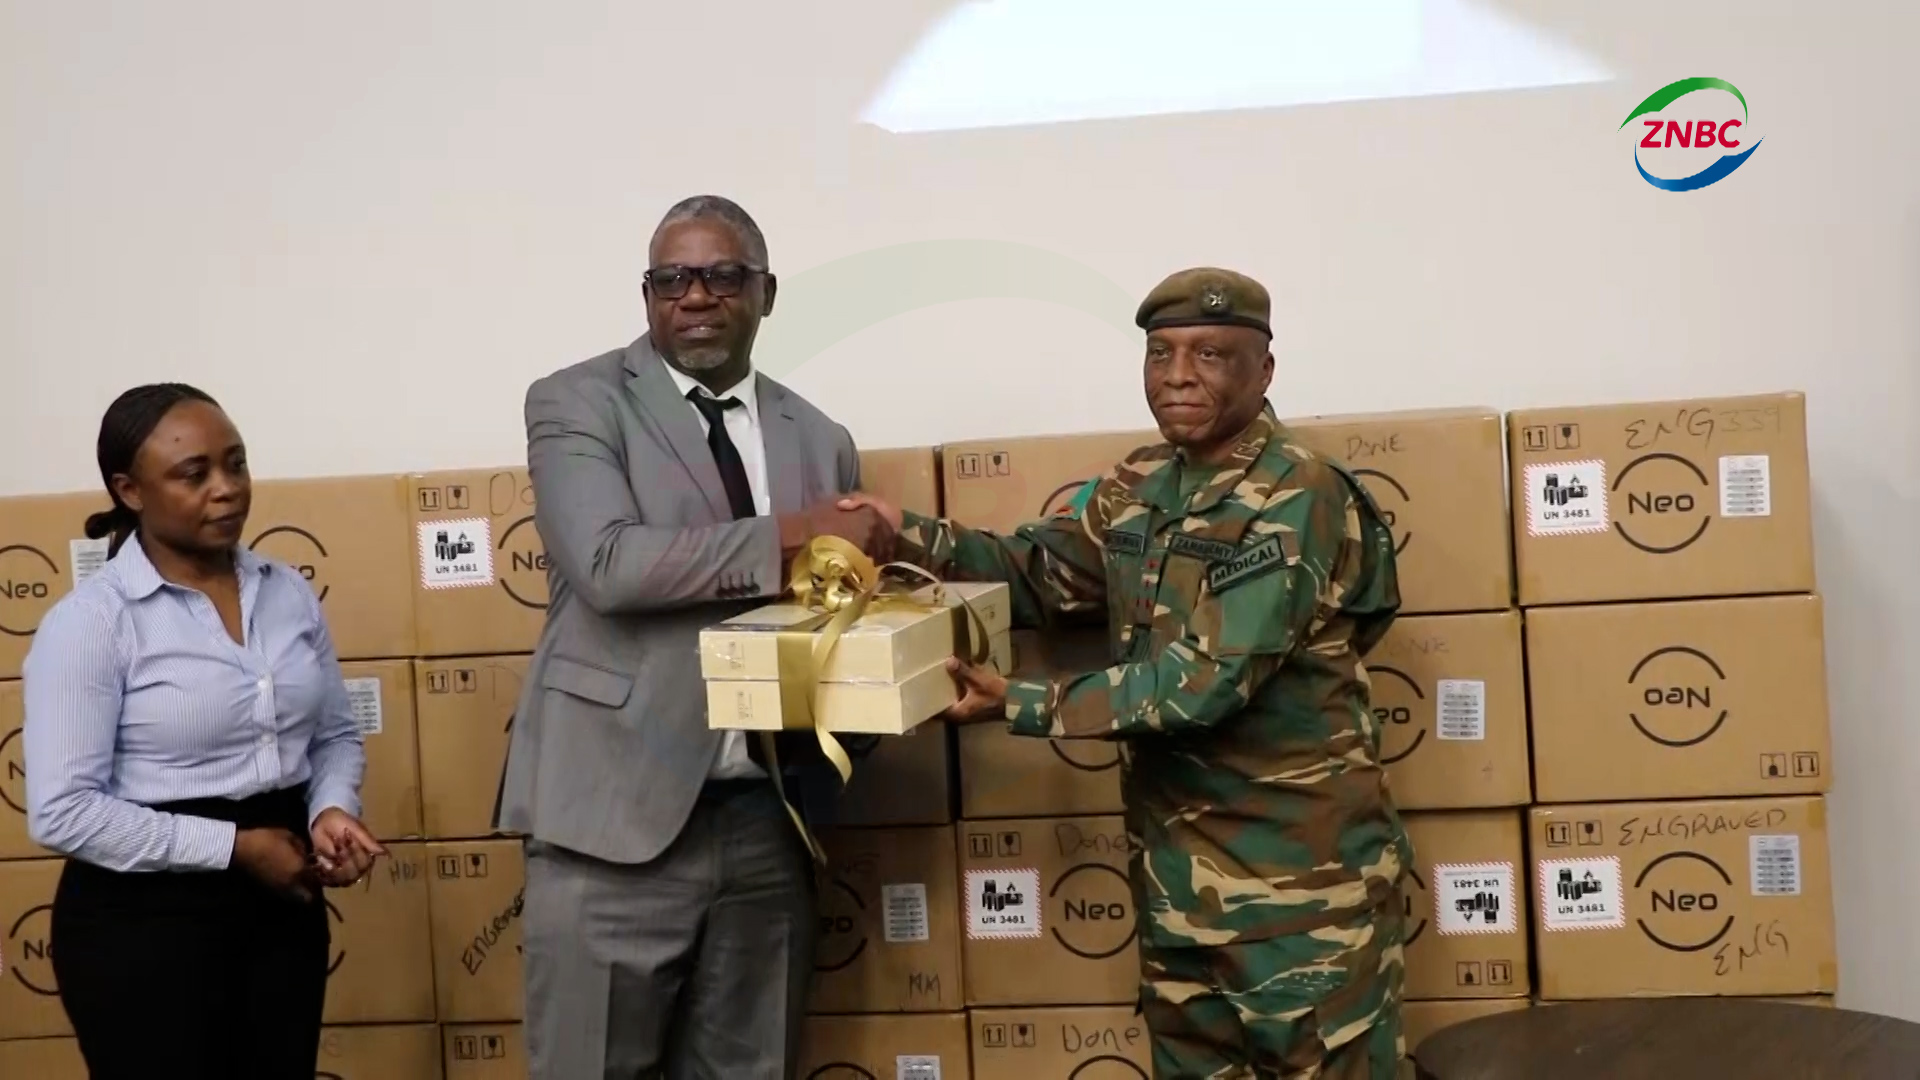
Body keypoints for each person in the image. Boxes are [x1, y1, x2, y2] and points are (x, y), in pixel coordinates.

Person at [843, 269, 1413, 1079]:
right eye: (1160, 353)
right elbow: (1042, 573)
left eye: (1209, 354)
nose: (1177, 375)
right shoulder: (1142, 483)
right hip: (1178, 886)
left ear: (1264, 370)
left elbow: (1205, 682)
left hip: (1299, 898)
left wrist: (1021, 702)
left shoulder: (1298, 494)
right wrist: (906, 534)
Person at [498, 194, 895, 1079]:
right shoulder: (576, 401)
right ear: (647, 295)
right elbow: (609, 565)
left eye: (722, 276)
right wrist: (792, 534)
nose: (696, 296)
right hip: (612, 821)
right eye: (672, 279)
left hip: (768, 818)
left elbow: (829, 616)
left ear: (766, 293)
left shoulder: (818, 438)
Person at [22, 382, 386, 1080]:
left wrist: (331, 809)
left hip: (282, 904)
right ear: (130, 490)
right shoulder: (92, 622)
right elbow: (63, 811)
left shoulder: (286, 591)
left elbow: (334, 734)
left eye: (236, 463)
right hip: (143, 923)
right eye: (194, 474)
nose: (227, 488)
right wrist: (234, 849)